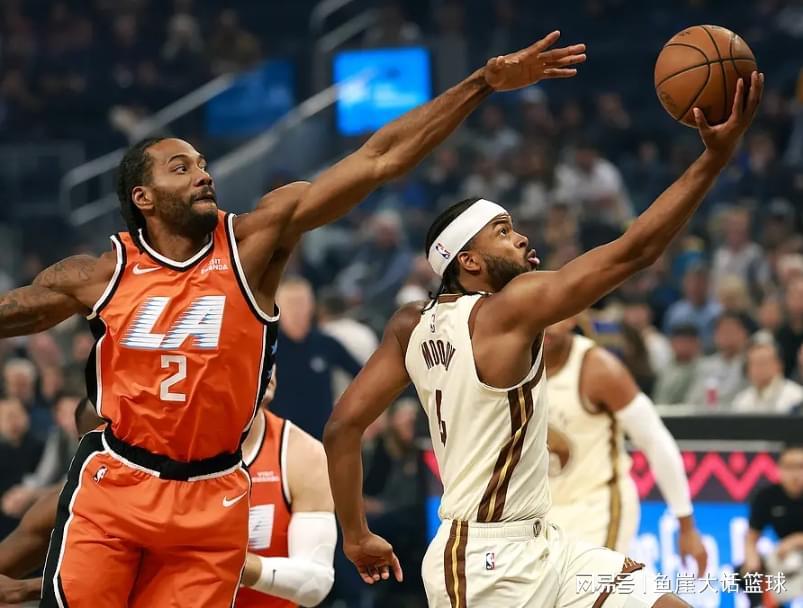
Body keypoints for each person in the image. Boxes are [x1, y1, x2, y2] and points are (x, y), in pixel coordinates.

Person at [0, 32, 586, 606]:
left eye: (203, 163)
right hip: (119, 480)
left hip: (213, 491)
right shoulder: (97, 275)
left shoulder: (252, 244)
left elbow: (378, 159)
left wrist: (482, 82)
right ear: (143, 198)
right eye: (181, 168)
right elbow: (13, 313)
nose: (204, 174)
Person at [324, 72, 763, 607]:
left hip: (545, 547)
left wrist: (356, 535)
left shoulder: (409, 324)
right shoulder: (508, 309)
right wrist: (714, 159)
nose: (521, 236)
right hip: (483, 565)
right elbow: (635, 251)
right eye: (503, 231)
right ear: (470, 261)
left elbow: (342, 428)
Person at [0, 371, 337, 608]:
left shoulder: (298, 455)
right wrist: (32, 588)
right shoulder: (99, 482)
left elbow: (316, 584)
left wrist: (221, 558)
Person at [542, 317, 707, 572]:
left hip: (596, 506)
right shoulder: (509, 363)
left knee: (587, 589)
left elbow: (655, 441)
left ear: (572, 317)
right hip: (539, 511)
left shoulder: (599, 369)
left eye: (555, 315)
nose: (547, 324)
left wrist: (686, 524)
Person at [740, 444, 803, 607]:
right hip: (785, 557)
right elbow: (751, 537)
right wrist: (752, 563)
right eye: (789, 467)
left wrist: (796, 540)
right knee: (743, 573)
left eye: (800, 466)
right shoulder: (766, 496)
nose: (795, 474)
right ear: (779, 469)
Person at [732, 340, 803, 413]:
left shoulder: (797, 396)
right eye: (754, 363)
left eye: (763, 362)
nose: (759, 368)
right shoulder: (741, 400)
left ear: (778, 365)